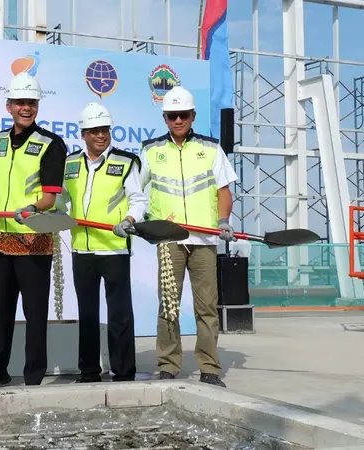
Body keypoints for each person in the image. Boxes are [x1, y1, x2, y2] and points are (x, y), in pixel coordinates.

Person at [0, 72, 67, 388]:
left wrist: (34, 208)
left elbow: (51, 195)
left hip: (34, 240)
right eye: (20, 102)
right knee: (2, 310)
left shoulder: (51, 143)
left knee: (34, 314)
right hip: (3, 242)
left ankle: (33, 375)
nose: (26, 108)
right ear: (8, 105)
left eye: (31, 103)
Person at [140, 86, 237, 388]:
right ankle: (168, 365)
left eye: (183, 115)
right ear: (165, 117)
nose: (178, 120)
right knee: (168, 305)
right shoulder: (151, 151)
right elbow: (137, 195)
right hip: (169, 241)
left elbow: (224, 191)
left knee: (206, 306)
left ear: (193, 116)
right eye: (172, 115)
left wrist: (223, 220)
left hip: (205, 241)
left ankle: (209, 366)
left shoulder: (210, 149)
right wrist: (142, 222)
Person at [55, 102, 147, 383]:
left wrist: (130, 221)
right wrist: (53, 214)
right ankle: (89, 371)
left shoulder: (125, 161)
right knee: (88, 313)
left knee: (119, 314)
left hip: (114, 247)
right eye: (94, 131)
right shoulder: (69, 163)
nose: (101, 136)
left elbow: (138, 199)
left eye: (105, 130)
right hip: (82, 249)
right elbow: (62, 200)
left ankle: (123, 371)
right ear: (83, 133)